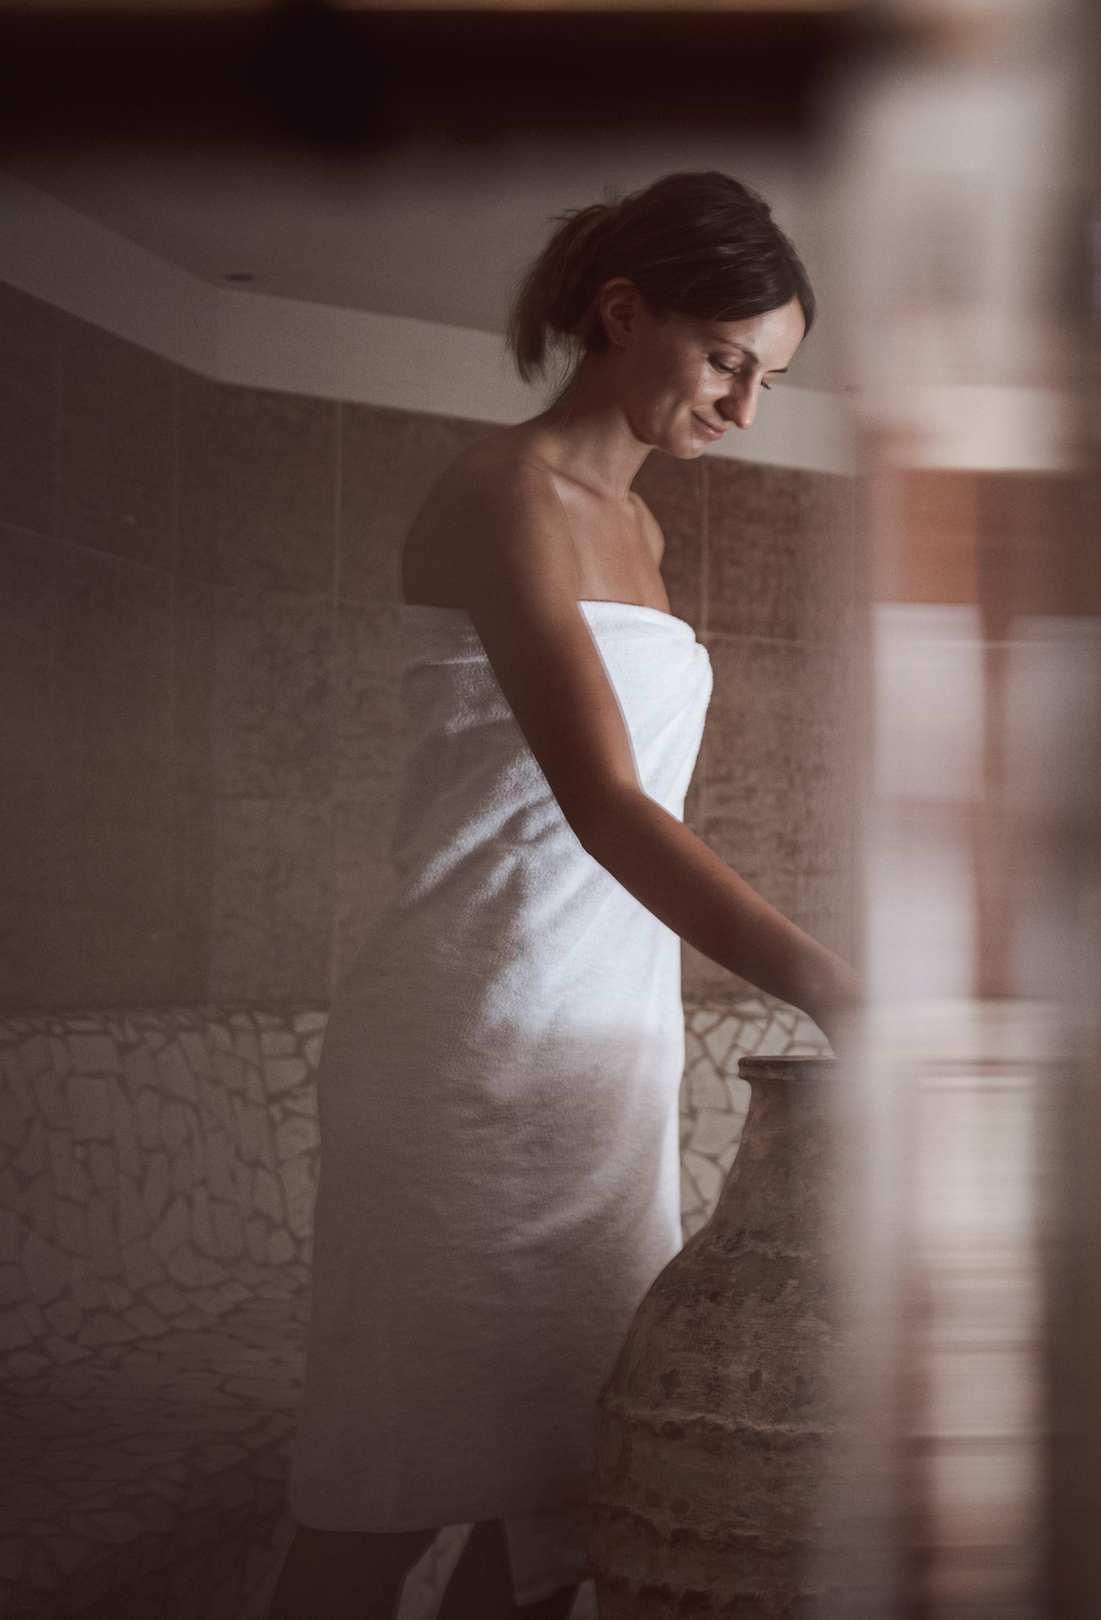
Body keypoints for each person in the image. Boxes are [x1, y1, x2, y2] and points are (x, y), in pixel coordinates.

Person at [269, 170, 859, 1620]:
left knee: (566, 1496)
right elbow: (604, 806)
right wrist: (836, 987)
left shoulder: (642, 533)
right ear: (623, 311)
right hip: (465, 1044)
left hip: (603, 1060)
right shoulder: (502, 493)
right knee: (385, 1486)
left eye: (770, 379)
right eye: (725, 359)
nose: (744, 408)